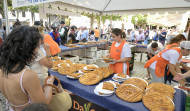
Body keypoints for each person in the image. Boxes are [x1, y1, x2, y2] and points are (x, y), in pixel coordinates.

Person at [0, 26, 54, 111]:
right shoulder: (27, 76)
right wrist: (49, 86)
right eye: (37, 47)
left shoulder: (2, 69)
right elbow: (43, 106)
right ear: (28, 49)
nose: (37, 51)